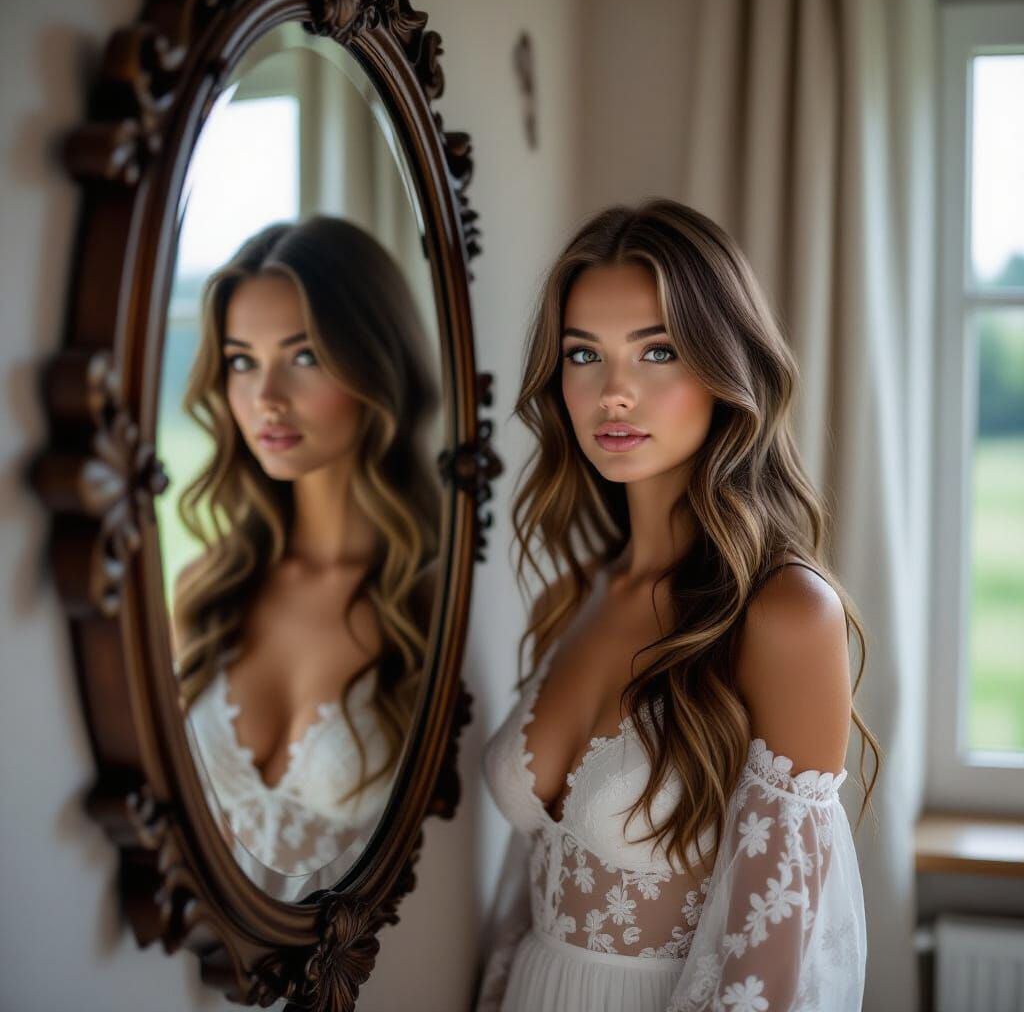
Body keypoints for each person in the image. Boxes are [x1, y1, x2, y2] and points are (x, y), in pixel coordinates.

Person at [475, 199, 880, 1011]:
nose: (613, 393)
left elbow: (771, 974)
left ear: (727, 368)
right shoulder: (575, 593)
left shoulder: (786, 614)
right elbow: (526, 903)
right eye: (584, 354)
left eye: (656, 351)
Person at [169, 215, 440, 883]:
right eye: (241, 362)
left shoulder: (432, 596)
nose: (266, 399)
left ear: (378, 366)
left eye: (305, 356)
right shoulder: (207, 588)